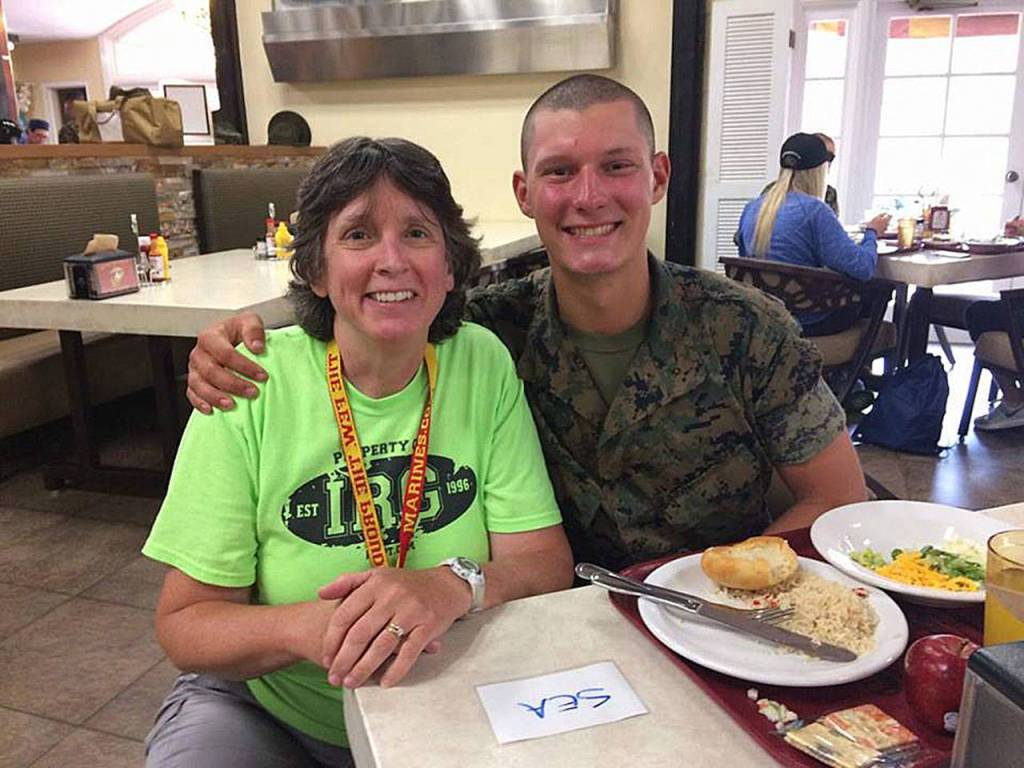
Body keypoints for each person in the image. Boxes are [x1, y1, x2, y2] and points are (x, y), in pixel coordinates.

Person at [185, 75, 868, 572]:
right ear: (526, 192)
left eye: (617, 167)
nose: (589, 196)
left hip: (718, 623)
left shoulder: (747, 328)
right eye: (560, 171)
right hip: (542, 637)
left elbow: (837, 499)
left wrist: (720, 579)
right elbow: (365, 316)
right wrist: (238, 339)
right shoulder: (482, 331)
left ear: (658, 177)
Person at [143, 137, 574, 767]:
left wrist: (453, 584)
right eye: (358, 235)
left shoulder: (480, 361)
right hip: (273, 714)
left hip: (449, 707)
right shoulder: (248, 379)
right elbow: (184, 626)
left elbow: (542, 563)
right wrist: (305, 628)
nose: (392, 260)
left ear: (451, 266)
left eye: (418, 234)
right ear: (315, 269)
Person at [736, 132, 890, 336]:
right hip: (810, 322)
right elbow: (863, 268)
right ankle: (859, 365)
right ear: (821, 170)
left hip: (765, 317)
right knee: (879, 291)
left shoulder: (753, 208)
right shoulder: (815, 210)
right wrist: (872, 232)